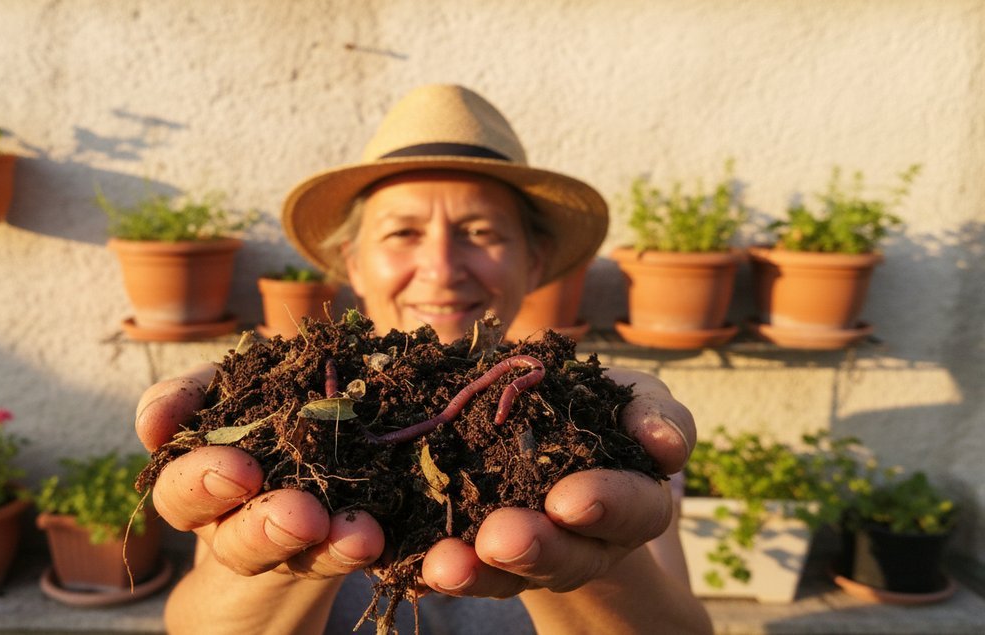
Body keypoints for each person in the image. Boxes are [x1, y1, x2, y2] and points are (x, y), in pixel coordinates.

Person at [135, 85, 713, 634]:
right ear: (353, 261)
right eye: (403, 233)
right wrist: (284, 556)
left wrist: (585, 555)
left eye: (479, 231)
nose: (440, 266)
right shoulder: (277, 414)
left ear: (533, 262)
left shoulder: (597, 430)